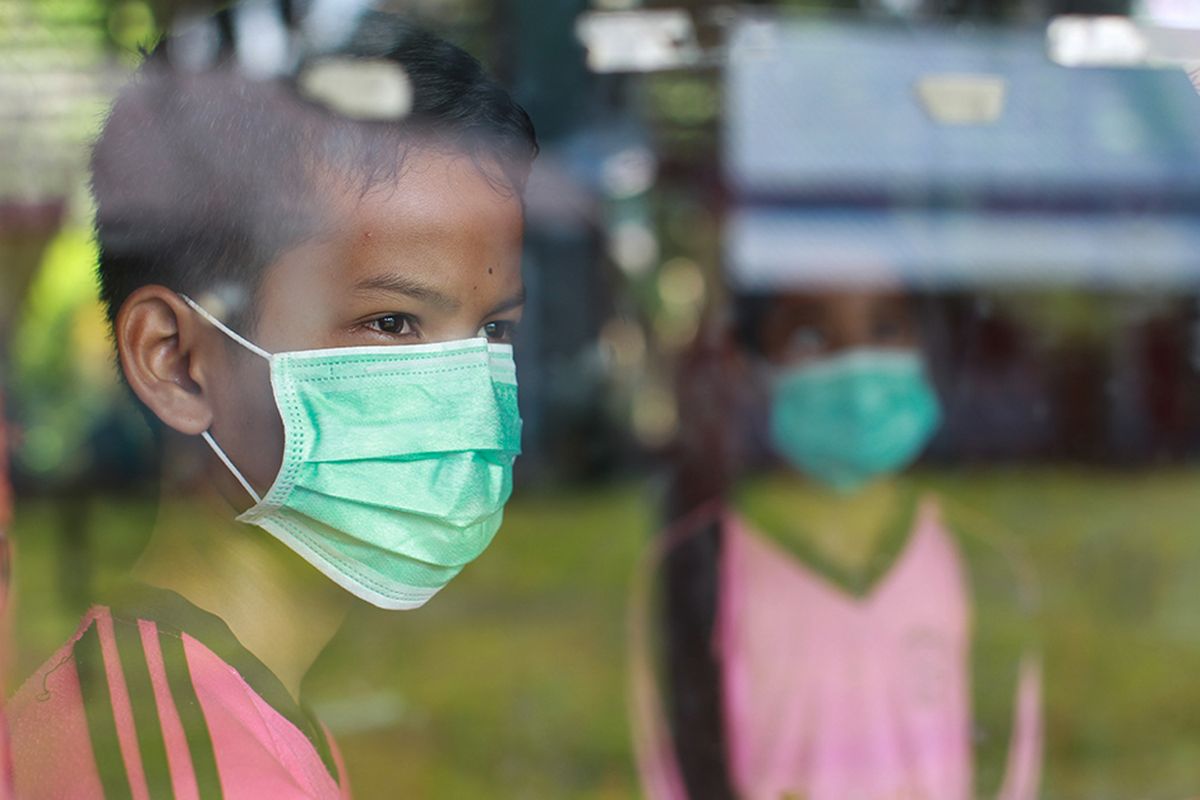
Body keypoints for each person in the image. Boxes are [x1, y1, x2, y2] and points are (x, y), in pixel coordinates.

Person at [7, 7, 537, 798]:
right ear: (178, 363)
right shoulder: (167, 760)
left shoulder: (246, 703)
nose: (467, 391)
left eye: (491, 331)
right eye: (392, 323)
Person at [633, 282, 1043, 800]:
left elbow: (1007, 766)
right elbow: (674, 771)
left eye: (886, 328)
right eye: (811, 334)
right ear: (752, 362)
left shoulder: (981, 563)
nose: (855, 361)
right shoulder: (698, 563)